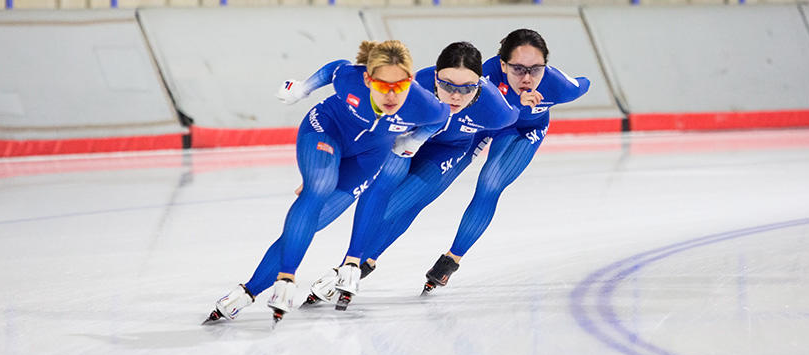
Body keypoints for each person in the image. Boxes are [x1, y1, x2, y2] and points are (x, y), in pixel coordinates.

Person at [203, 40, 449, 326]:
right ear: (368, 79)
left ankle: (246, 293)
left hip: (368, 156)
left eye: (401, 85)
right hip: (326, 129)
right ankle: (287, 278)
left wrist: (413, 141)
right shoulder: (351, 80)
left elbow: (440, 120)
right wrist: (303, 88)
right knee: (319, 186)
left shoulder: (427, 106)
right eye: (383, 86)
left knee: (314, 222)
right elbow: (334, 69)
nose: (392, 94)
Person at [302, 41, 520, 309]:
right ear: (435, 78)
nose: (455, 96)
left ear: (479, 85)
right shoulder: (414, 86)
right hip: (406, 140)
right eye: (448, 85)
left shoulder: (497, 110)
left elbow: (512, 122)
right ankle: (357, 259)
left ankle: (357, 265)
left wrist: (478, 145)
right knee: (381, 188)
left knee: (404, 202)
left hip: (449, 149)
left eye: (467, 89)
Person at [413, 29, 591, 293]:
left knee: (490, 183)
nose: (528, 78)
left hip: (524, 131)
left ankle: (452, 259)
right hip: (486, 126)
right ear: (503, 64)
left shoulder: (558, 85)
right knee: (433, 181)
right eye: (518, 69)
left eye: (536, 69)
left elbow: (584, 83)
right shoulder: (486, 77)